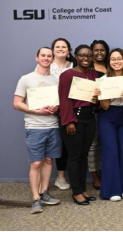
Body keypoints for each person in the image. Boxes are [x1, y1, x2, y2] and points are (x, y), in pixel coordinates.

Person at [14, 47, 62, 213]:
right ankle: (35, 198)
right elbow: (17, 103)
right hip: (34, 126)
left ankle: (44, 192)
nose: (46, 58)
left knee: (49, 160)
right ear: (37, 57)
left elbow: (59, 102)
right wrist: (37, 111)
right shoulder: (26, 79)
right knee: (36, 162)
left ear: (52, 59)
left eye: (49, 56)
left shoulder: (56, 80)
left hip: (52, 126)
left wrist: (56, 108)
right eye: (43, 55)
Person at [58, 44, 100, 205]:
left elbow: (93, 101)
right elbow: (64, 99)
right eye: (82, 55)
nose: (85, 58)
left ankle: (82, 188)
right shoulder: (67, 75)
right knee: (75, 156)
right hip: (73, 119)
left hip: (89, 118)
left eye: (89, 56)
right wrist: (69, 121)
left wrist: (96, 100)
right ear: (75, 56)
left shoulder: (93, 74)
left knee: (84, 155)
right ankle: (76, 192)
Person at [98, 48, 123, 201]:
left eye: (119, 58)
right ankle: (112, 190)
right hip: (108, 116)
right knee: (110, 151)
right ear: (109, 62)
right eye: (113, 59)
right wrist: (103, 95)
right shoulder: (103, 79)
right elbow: (105, 106)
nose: (116, 61)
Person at [49, 38, 74, 191]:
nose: (60, 49)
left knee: (67, 145)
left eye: (63, 46)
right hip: (52, 112)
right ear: (52, 50)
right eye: (57, 47)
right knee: (56, 144)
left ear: (68, 50)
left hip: (71, 109)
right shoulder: (46, 66)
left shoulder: (74, 66)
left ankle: (62, 177)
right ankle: (60, 177)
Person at [89, 40, 109, 190]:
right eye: (96, 50)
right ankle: (95, 177)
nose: (99, 52)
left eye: (102, 50)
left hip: (109, 111)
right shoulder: (88, 69)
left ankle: (105, 174)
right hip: (93, 111)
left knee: (105, 145)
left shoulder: (111, 67)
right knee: (93, 145)